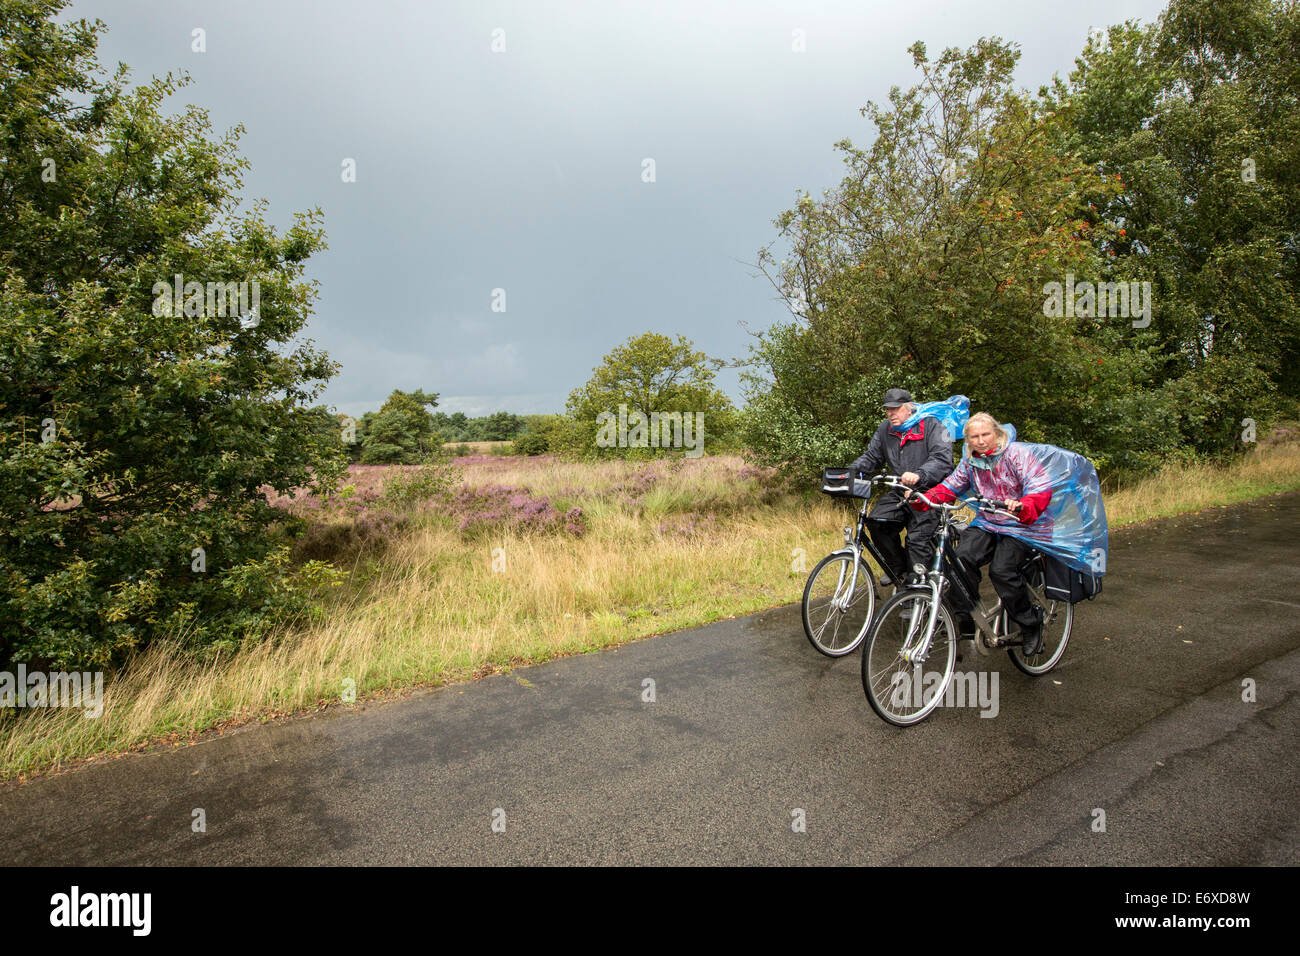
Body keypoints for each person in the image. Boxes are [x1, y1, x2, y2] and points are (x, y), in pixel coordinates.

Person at [905, 412, 1053, 654]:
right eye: (975, 436)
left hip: (1020, 524)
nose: (981, 440)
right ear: (968, 440)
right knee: (959, 560)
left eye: (986, 434)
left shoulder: (1016, 455)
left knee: (1002, 571)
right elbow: (950, 486)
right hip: (988, 522)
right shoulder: (970, 462)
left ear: (996, 433)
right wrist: (923, 499)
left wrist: (1024, 504)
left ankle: (1030, 624)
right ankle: (965, 615)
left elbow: (1039, 486)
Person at [845, 388, 955, 588]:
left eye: (895, 409)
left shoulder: (932, 425)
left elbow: (942, 460)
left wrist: (920, 474)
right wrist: (849, 473)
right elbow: (872, 457)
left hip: (929, 493)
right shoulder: (886, 429)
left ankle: (916, 597)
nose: (890, 414)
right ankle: (899, 568)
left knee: (917, 542)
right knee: (877, 522)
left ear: (909, 408)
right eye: (887, 409)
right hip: (900, 491)